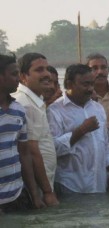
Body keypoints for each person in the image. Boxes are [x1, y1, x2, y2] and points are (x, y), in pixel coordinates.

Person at [47, 64, 109, 194]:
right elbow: (52, 149)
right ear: (70, 84)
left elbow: (105, 145)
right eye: (85, 84)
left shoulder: (97, 108)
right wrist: (81, 131)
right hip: (70, 186)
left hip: (99, 184)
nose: (91, 89)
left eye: (92, 84)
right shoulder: (55, 111)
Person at [12, 53, 59, 206]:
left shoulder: (34, 101)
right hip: (36, 188)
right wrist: (47, 192)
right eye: (39, 70)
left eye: (46, 69)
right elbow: (32, 151)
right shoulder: (26, 103)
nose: (47, 74)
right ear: (23, 76)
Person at [0, 54, 44, 212]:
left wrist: (34, 193)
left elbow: (24, 153)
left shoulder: (18, 110)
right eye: (13, 74)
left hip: (17, 195)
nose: (18, 78)